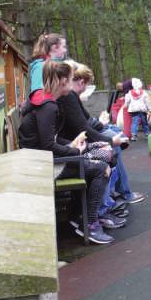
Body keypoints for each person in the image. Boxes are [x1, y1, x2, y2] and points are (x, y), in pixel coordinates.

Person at [18, 60, 114, 244]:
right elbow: (47, 145)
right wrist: (73, 149)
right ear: (62, 81)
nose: (72, 85)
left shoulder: (44, 99)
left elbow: (49, 140)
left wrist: (72, 144)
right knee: (102, 169)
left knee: (103, 153)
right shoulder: (49, 107)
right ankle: (89, 223)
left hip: (40, 159)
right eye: (71, 80)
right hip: (43, 165)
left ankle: (79, 215)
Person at [57, 62, 132, 230]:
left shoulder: (69, 97)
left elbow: (84, 123)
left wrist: (101, 129)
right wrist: (109, 142)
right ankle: (98, 212)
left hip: (73, 147)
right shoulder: (65, 98)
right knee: (106, 158)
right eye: (69, 80)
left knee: (110, 148)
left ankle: (104, 204)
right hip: (66, 154)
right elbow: (79, 129)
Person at [29, 33, 67, 99]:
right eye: (64, 47)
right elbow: (38, 95)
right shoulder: (40, 67)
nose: (65, 50)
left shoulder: (58, 65)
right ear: (54, 47)